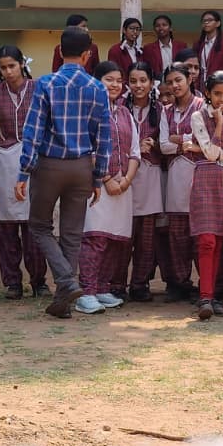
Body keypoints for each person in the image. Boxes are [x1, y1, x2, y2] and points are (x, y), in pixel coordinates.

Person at [17, 25, 111, 318]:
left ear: (59, 51)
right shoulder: (98, 88)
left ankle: (67, 282)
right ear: (87, 55)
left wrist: (23, 172)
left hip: (49, 165)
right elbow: (104, 137)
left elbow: (32, 131)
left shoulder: (45, 84)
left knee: (39, 226)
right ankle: (63, 302)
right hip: (83, 166)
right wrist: (99, 177)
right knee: (72, 234)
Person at [0, 46, 48, 299]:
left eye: (12, 66)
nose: (8, 71)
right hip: (5, 160)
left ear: (22, 64)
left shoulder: (38, 88)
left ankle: (38, 280)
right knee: (7, 226)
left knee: (33, 224)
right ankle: (13, 282)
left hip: (34, 160)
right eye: (3, 67)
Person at [77, 61, 139, 314]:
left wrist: (125, 180)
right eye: (109, 80)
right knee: (96, 238)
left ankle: (103, 288)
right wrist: (107, 178)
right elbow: (86, 148)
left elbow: (135, 152)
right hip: (97, 186)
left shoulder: (125, 113)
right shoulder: (88, 111)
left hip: (123, 187)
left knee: (115, 241)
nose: (115, 85)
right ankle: (87, 292)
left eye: (118, 80)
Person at [187, 71, 223, 319]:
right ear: (208, 93)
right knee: (206, 239)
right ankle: (205, 296)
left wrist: (208, 149)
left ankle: (211, 295)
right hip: (205, 179)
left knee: (220, 239)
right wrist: (219, 126)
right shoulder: (198, 116)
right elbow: (210, 154)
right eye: (217, 93)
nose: (222, 98)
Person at [159, 61, 205, 301]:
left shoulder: (202, 107)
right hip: (176, 176)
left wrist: (180, 139)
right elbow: (163, 146)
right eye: (170, 82)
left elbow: (204, 142)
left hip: (198, 174)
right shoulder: (167, 110)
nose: (174, 85)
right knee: (177, 235)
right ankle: (180, 283)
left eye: (178, 80)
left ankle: (205, 283)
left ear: (190, 80)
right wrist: (186, 143)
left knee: (199, 233)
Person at [124, 61, 164, 302]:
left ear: (151, 83)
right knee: (124, 234)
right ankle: (116, 282)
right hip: (125, 178)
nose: (138, 86)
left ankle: (140, 284)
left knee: (146, 236)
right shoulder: (119, 107)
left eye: (143, 81)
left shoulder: (161, 109)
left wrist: (155, 146)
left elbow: (168, 145)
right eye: (133, 81)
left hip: (150, 175)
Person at [193, 11, 223, 91]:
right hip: (199, 83)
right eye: (204, 21)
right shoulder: (198, 44)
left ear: (218, 23)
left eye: (209, 20)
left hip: (217, 83)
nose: (206, 22)